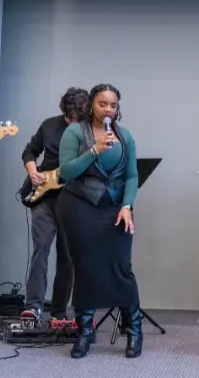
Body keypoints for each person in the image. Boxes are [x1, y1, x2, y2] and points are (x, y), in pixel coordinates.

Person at [56, 83, 144, 359]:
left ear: (118, 108)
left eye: (113, 105)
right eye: (102, 103)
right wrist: (94, 150)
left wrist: (127, 205)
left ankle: (135, 331)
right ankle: (84, 333)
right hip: (80, 205)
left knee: (121, 268)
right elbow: (66, 171)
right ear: (91, 105)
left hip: (115, 208)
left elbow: (131, 176)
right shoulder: (74, 132)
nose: (108, 109)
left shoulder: (125, 136)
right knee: (85, 267)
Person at [19, 86, 88, 324]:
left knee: (67, 255)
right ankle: (33, 307)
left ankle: (59, 311)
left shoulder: (90, 132)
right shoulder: (49, 125)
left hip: (73, 198)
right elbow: (30, 150)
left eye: (76, 119)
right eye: (68, 118)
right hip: (44, 197)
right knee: (40, 250)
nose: (71, 122)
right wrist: (32, 170)